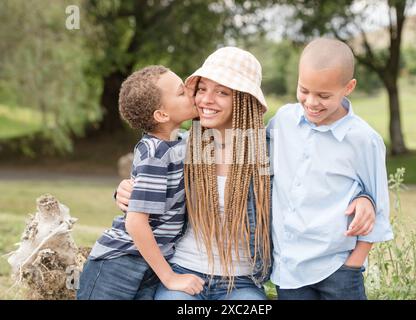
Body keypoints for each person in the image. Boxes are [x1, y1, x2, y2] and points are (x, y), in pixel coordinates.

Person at [115, 46, 378, 300]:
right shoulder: (182, 147)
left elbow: (322, 175)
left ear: (243, 99)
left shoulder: (271, 149)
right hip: (184, 270)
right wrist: (124, 191)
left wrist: (364, 198)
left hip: (241, 281)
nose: (206, 99)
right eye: (202, 89)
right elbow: (148, 184)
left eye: (222, 92)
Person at [267, 38, 394, 300]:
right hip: (289, 269)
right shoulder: (283, 121)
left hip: (338, 270)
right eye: (304, 90)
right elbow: (248, 154)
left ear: (348, 87)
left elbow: (378, 211)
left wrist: (353, 266)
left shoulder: (363, 140)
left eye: (324, 95)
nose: (311, 102)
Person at [77, 65, 203, 300]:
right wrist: (170, 278)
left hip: (148, 264)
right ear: (162, 115)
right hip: (120, 264)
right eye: (181, 92)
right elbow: (136, 223)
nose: (191, 93)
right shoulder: (157, 153)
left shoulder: (177, 144)